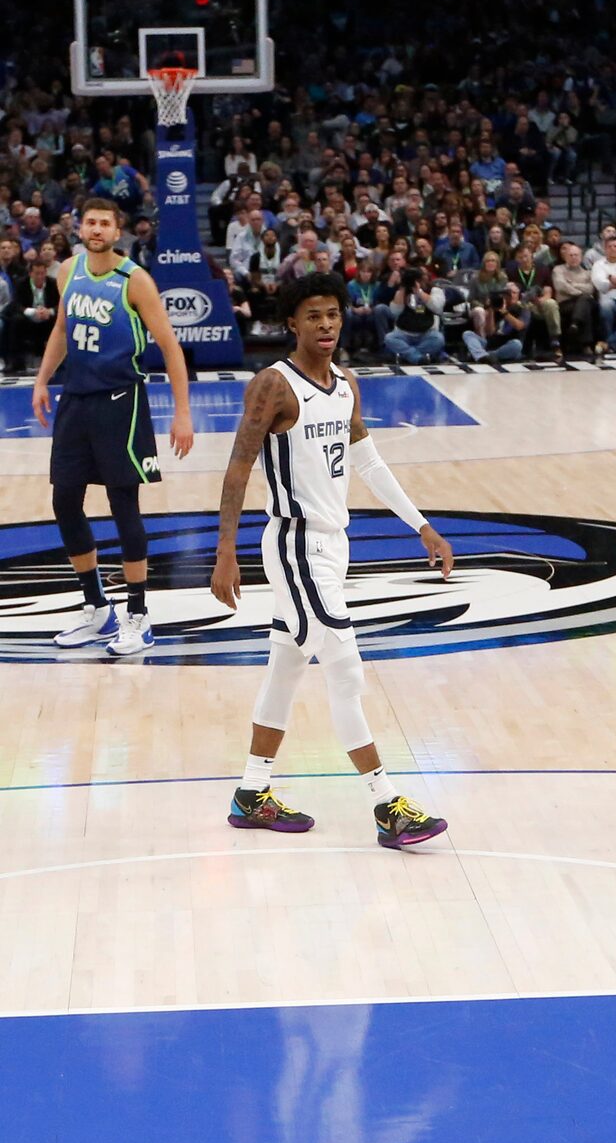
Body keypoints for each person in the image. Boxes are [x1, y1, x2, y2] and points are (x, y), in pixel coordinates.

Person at [209, 271, 452, 850]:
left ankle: (251, 793)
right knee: (345, 669)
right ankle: (386, 804)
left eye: (334, 315)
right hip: (296, 545)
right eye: (313, 316)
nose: (325, 325)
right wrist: (225, 550)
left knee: (287, 666)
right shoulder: (272, 385)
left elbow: (368, 463)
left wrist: (421, 526)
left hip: (331, 547)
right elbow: (239, 468)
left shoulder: (345, 383)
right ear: (291, 323)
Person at [32, 198, 194, 657]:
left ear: (118, 231)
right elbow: (62, 329)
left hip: (122, 402)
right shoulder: (68, 271)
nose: (97, 229)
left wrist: (182, 413)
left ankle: (138, 615)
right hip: (76, 400)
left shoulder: (135, 280)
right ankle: (97, 608)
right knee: (64, 500)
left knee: (124, 506)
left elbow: (171, 347)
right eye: (90, 221)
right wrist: (42, 380)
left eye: (105, 223)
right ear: (79, 227)